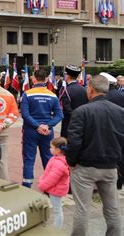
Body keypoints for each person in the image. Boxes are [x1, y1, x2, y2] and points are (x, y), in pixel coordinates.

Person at [66, 75, 124, 236]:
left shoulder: (82, 111)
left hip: (85, 167)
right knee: (112, 208)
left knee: (82, 209)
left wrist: (71, 162)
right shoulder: (120, 112)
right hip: (111, 167)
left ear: (90, 89)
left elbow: (74, 141)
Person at [21, 69, 63, 188]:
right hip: (47, 132)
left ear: (34, 79)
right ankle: (49, 186)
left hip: (30, 130)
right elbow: (59, 115)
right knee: (48, 157)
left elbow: (25, 114)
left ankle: (27, 185)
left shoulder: (27, 94)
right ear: (46, 79)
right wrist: (47, 126)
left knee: (29, 158)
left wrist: (37, 125)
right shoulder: (52, 95)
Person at [37, 137, 70, 229]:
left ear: (58, 150)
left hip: (56, 190)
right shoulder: (57, 159)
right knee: (57, 209)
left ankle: (56, 230)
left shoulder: (58, 164)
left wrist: (41, 185)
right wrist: (42, 179)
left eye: (51, 147)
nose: (50, 149)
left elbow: (52, 179)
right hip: (54, 189)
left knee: (57, 210)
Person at [58, 64, 88, 138]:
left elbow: (66, 109)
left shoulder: (66, 90)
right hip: (83, 122)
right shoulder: (85, 90)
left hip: (69, 124)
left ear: (67, 76)